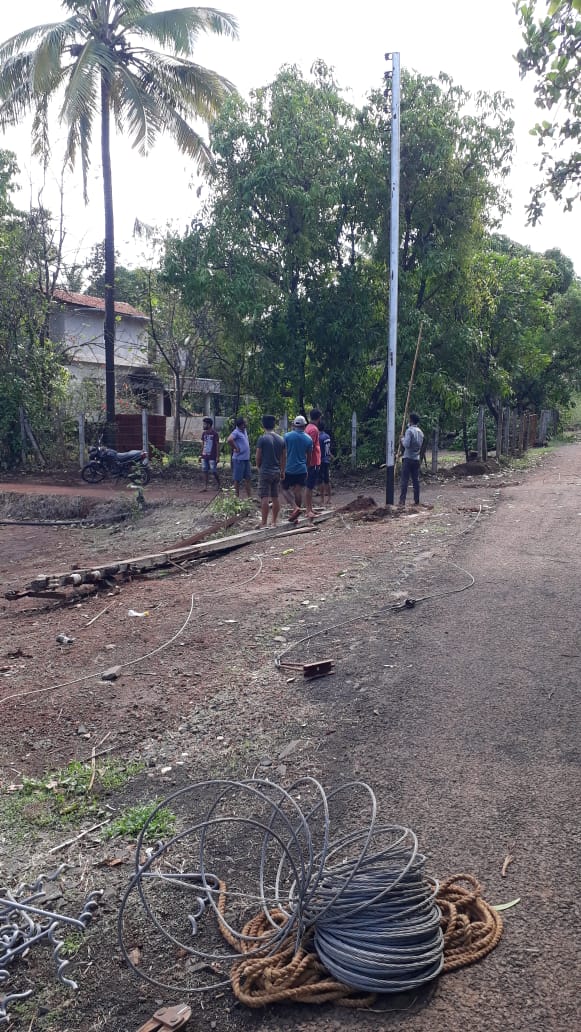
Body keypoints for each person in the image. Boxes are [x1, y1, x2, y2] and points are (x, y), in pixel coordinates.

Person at [255, 415, 286, 528]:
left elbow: (258, 456)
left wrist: (259, 467)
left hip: (266, 471)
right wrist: (282, 470)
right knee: (275, 497)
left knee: (264, 497)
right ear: (274, 425)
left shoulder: (262, 439)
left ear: (263, 425)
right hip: (276, 471)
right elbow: (284, 457)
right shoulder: (281, 439)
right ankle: (274, 521)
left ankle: (263, 522)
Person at [282, 415, 313, 522]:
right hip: (301, 469)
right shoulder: (309, 439)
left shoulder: (286, 436)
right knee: (298, 491)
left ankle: (295, 507)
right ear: (305, 426)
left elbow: (283, 453)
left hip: (289, 468)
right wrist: (307, 468)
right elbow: (309, 457)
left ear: (294, 425)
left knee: (284, 489)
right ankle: (296, 516)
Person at [399, 412, 424, 507]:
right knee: (415, 481)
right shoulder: (420, 432)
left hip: (408, 458)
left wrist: (402, 439)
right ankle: (416, 500)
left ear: (411, 420)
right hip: (416, 459)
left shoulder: (409, 431)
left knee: (404, 480)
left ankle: (402, 501)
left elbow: (406, 444)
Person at [227, 416, 252, 498]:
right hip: (239, 459)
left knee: (248, 478)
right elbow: (229, 439)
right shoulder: (236, 432)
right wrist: (236, 448)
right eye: (245, 422)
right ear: (241, 424)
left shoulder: (244, 431)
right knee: (237, 479)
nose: (246, 424)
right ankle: (236, 497)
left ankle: (249, 497)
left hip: (246, 459)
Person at [304, 408, 322, 519]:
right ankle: (308, 510)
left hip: (313, 461)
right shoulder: (314, 430)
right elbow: (309, 447)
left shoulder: (308, 428)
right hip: (313, 461)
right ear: (319, 418)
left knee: (310, 486)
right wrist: (309, 461)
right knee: (309, 487)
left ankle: (310, 508)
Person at [200, 416, 220, 491]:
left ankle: (218, 484)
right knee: (204, 470)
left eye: (205, 424)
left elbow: (218, 445)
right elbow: (202, 444)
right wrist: (200, 454)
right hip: (204, 455)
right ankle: (205, 486)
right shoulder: (204, 434)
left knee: (214, 471)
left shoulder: (215, 434)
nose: (203, 425)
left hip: (212, 455)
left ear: (209, 425)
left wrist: (218, 456)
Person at [317, 422, 333, 506]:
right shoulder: (327, 436)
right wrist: (330, 454)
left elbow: (319, 450)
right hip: (327, 459)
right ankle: (329, 498)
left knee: (320, 480)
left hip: (321, 460)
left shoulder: (319, 437)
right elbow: (328, 448)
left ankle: (322, 499)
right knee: (327, 480)